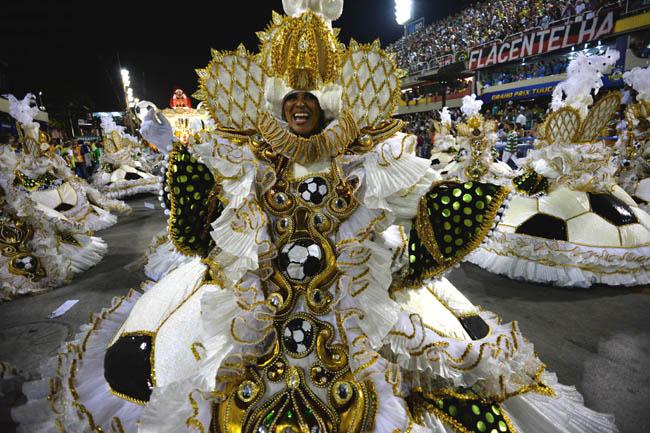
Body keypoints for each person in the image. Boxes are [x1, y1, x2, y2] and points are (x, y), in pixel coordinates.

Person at [12, 3, 620, 433]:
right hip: (258, 302)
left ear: (327, 104)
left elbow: (419, 206)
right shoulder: (244, 150)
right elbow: (207, 217)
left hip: (352, 299)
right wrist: (172, 154)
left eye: (311, 99)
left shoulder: (372, 156)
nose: (300, 107)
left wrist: (470, 188)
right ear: (277, 102)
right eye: (290, 98)